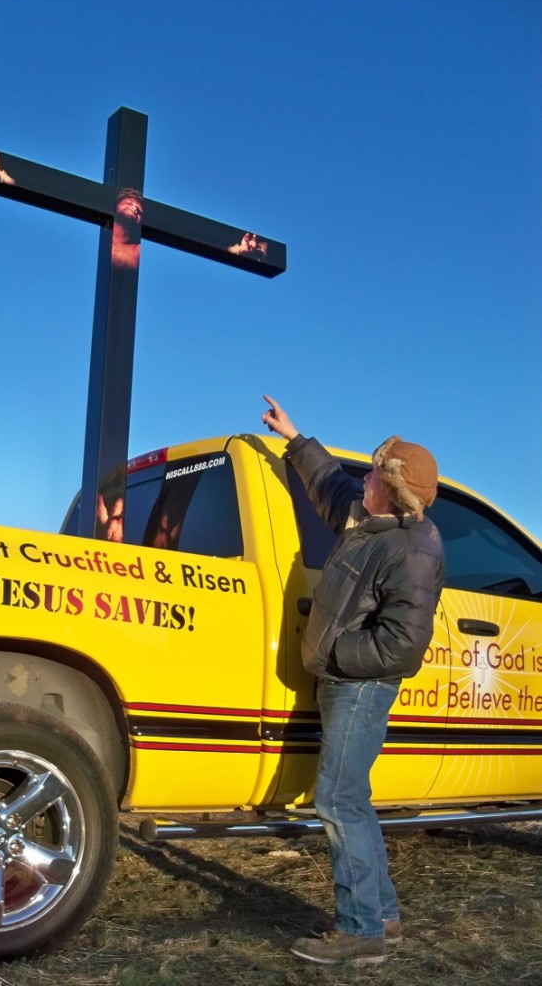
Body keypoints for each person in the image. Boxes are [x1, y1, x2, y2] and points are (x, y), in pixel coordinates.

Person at [261, 395, 444, 966]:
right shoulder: (370, 522)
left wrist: (336, 652)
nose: (362, 479)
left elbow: (403, 644)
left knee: (337, 799)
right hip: (345, 680)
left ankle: (361, 930)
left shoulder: (411, 548)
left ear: (392, 490)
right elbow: (329, 486)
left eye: (373, 474)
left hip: (361, 684)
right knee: (352, 798)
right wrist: (295, 439)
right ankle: (381, 917)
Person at [111, 188, 143, 269]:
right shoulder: (100, 238)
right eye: (129, 203)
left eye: (139, 211)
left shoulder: (136, 252)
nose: (135, 209)